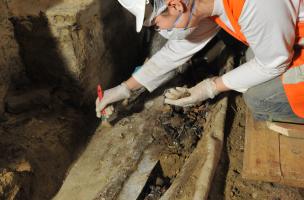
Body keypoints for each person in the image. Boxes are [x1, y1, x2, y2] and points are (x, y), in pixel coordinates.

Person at [96, 0, 304, 124]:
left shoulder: (252, 4)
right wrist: (124, 89)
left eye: (156, 25)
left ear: (175, 5)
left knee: (259, 99)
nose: (159, 31)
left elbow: (273, 63)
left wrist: (210, 87)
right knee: (251, 59)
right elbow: (177, 51)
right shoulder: (201, 4)